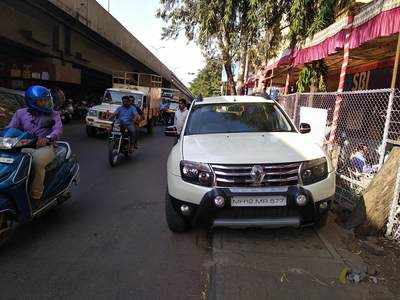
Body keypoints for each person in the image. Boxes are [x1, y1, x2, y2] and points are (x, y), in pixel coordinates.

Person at [7, 85, 62, 207]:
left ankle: (36, 195)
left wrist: (48, 138)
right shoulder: (20, 113)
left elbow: (57, 130)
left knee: (37, 162)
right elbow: (10, 128)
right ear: (32, 102)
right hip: (23, 146)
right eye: (42, 101)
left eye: (47, 100)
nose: (46, 103)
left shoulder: (54, 114)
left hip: (45, 147)